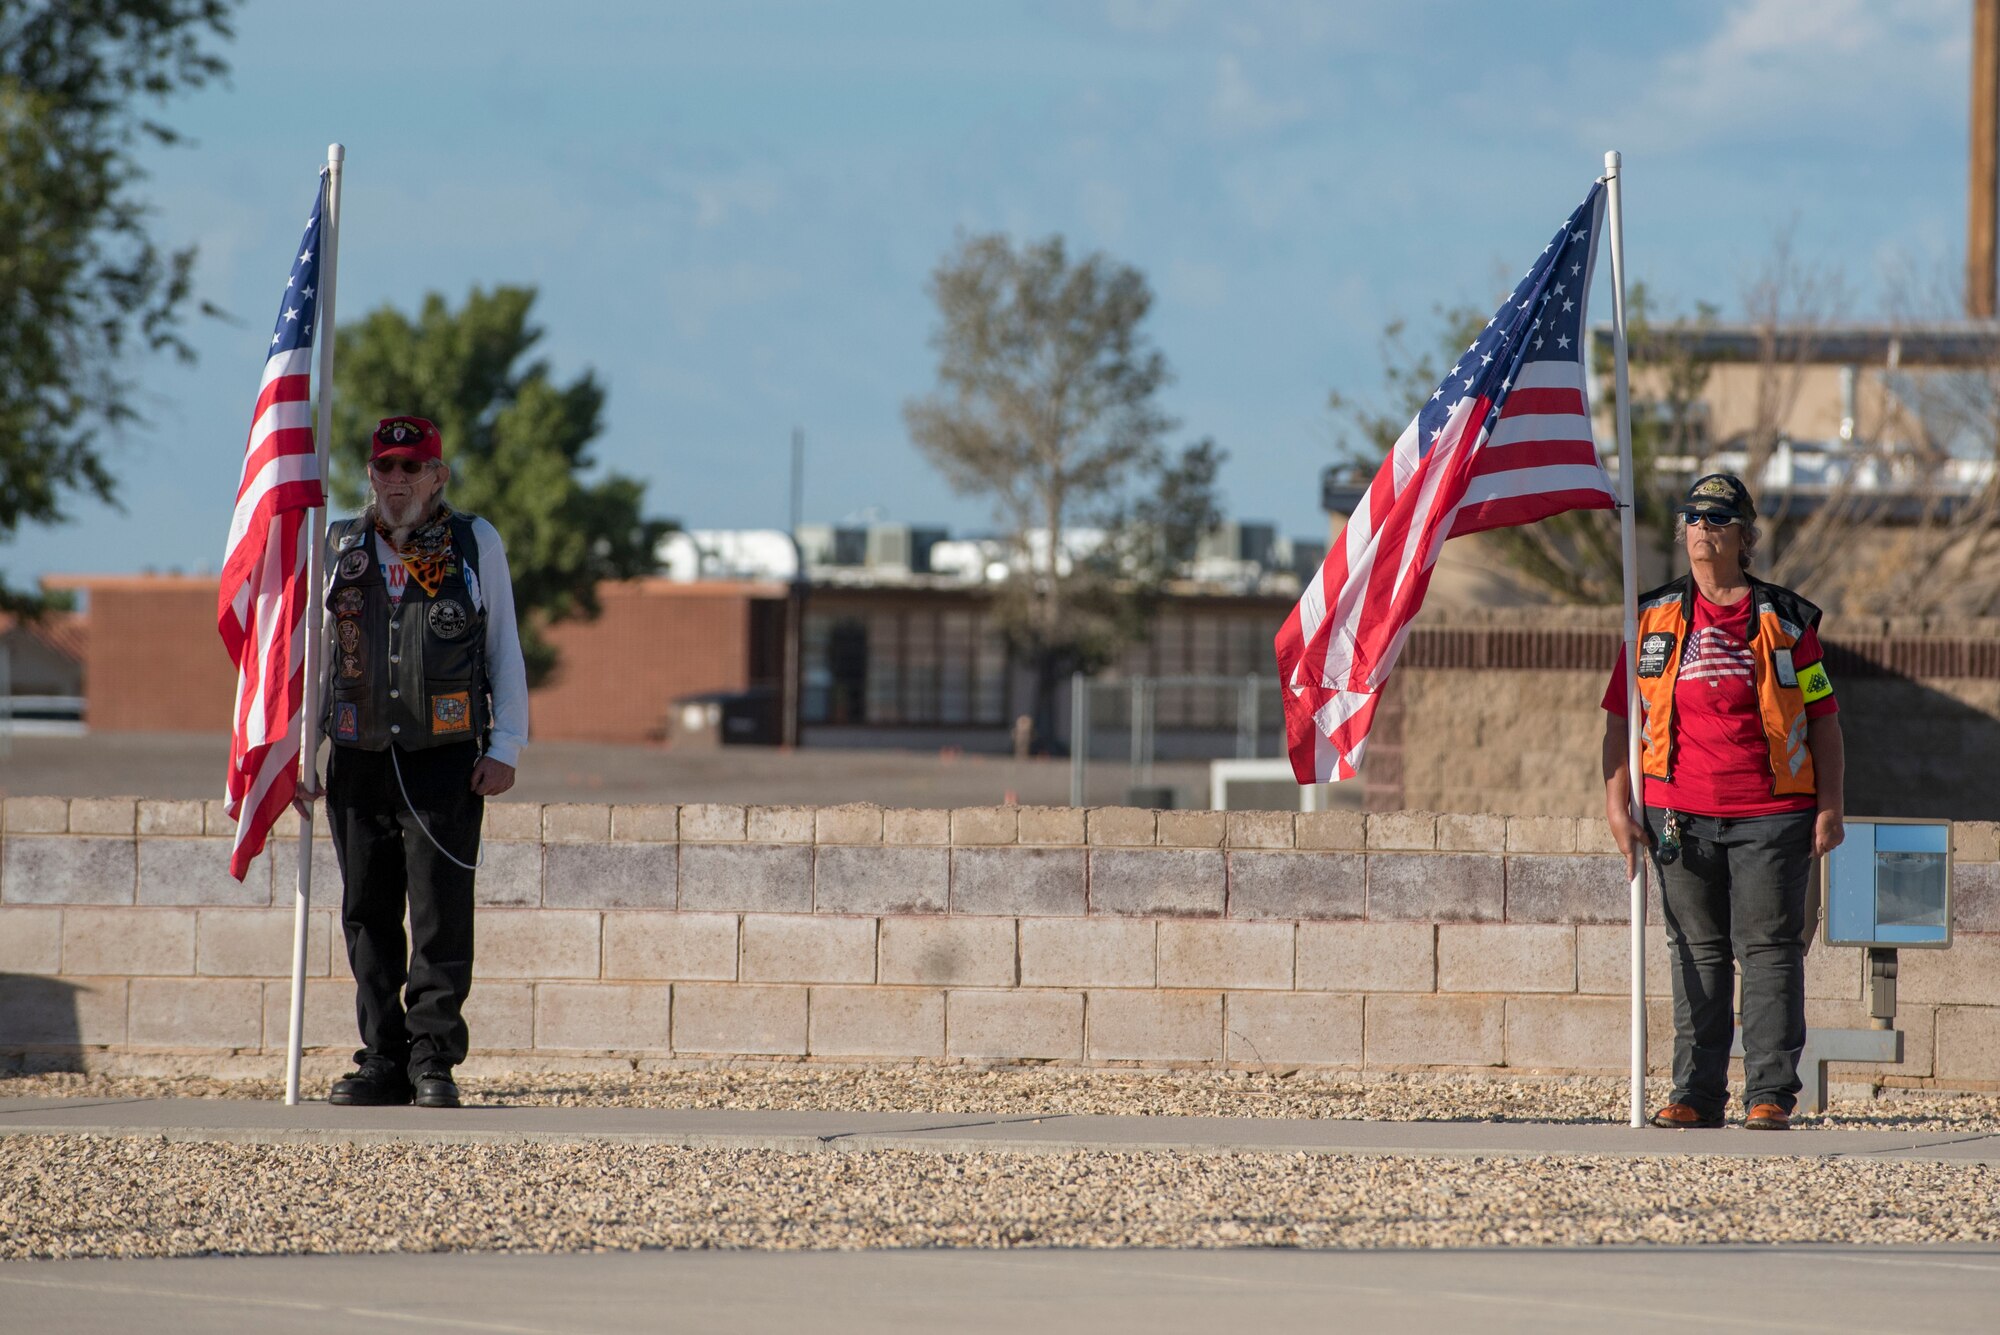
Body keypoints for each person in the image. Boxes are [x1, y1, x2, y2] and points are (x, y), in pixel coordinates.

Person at [1601, 473, 1845, 1132]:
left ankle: (1769, 1092)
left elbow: (1823, 718)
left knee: (1769, 948)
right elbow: (1618, 723)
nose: (1702, 527)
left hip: (1773, 811)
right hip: (1677, 814)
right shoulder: (1648, 618)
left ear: (1745, 536)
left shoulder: (1790, 620)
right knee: (1695, 950)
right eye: (1692, 516)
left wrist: (1831, 804)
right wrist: (1617, 803)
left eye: (1717, 517)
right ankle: (1696, 1092)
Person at [307, 416, 529, 1109]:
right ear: (369, 474)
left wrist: (506, 744)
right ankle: (382, 1056)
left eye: (411, 467)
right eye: (385, 467)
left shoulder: (470, 541)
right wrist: (299, 749)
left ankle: (433, 1058)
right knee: (367, 913)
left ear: (439, 476)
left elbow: (503, 645)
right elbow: (313, 656)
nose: (396, 480)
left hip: (445, 758)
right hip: (358, 754)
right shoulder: (342, 546)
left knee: (439, 913)